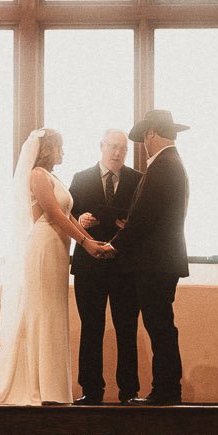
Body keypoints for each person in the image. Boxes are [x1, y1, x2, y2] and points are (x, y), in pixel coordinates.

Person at [0, 128, 113, 406]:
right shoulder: (37, 175)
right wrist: (85, 245)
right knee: (42, 311)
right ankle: (40, 385)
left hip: (58, 249)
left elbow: (69, 216)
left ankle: (53, 387)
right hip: (43, 246)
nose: (63, 152)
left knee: (53, 312)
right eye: (59, 147)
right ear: (48, 149)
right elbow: (52, 214)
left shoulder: (53, 177)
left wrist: (90, 241)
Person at [112, 110, 190, 404]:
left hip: (154, 263)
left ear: (150, 134)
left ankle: (166, 390)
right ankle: (166, 388)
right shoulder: (174, 164)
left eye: (144, 138)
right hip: (163, 261)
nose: (144, 144)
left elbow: (144, 217)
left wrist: (115, 245)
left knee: (159, 327)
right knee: (161, 325)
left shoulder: (163, 166)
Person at [69, 128, 141, 404]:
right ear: (101, 146)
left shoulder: (137, 179)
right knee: (91, 328)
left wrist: (127, 225)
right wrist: (81, 218)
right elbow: (67, 213)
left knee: (127, 328)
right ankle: (90, 390)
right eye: (112, 146)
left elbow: (143, 218)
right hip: (89, 264)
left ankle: (129, 391)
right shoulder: (81, 178)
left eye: (123, 148)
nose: (117, 153)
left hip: (124, 265)